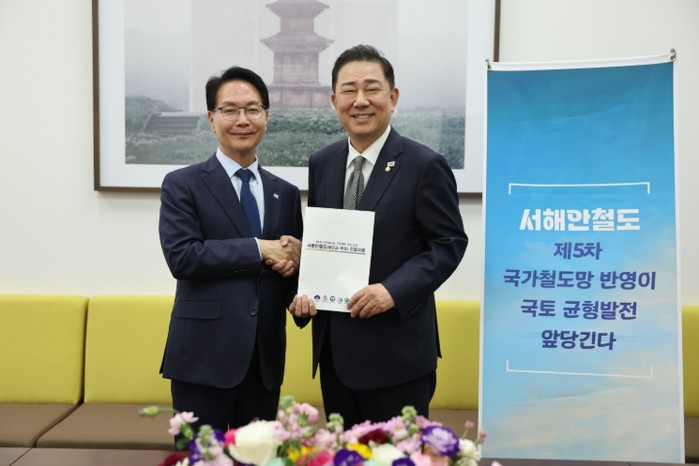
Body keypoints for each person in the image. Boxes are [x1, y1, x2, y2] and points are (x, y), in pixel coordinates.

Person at [289, 45, 468, 428]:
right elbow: (326, 243)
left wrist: (392, 290)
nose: (360, 101)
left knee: (399, 453)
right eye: (349, 90)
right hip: (335, 354)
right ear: (334, 101)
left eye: (372, 88)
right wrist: (306, 292)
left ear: (393, 97)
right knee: (344, 452)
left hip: (398, 355)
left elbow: (447, 245)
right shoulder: (323, 163)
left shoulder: (425, 165)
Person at [158, 65, 303, 442]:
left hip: (264, 361)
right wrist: (259, 248)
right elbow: (183, 257)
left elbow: (289, 268)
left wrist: (303, 291)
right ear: (212, 119)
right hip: (202, 359)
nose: (242, 119)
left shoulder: (285, 193)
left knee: (257, 457)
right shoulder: (182, 184)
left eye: (253, 109)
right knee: (198, 458)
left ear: (266, 117)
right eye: (230, 110)